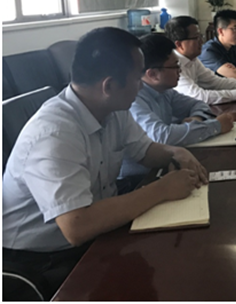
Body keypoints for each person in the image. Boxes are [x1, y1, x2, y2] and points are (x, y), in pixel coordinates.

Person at [3, 27, 208, 297]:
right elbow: (77, 226)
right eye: (137, 78)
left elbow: (145, 151)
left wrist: (175, 153)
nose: (142, 85)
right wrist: (161, 189)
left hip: (97, 229)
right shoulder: (54, 133)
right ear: (109, 85)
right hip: (43, 259)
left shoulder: (112, 108)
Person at [129, 34, 235, 146]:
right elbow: (162, 136)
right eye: (174, 66)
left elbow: (199, 104)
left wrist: (196, 118)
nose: (179, 70)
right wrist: (216, 126)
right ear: (153, 74)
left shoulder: (166, 91)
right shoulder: (134, 100)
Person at [165, 16, 236, 105]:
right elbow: (200, 96)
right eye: (196, 38)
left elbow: (215, 82)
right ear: (179, 44)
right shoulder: (172, 66)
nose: (201, 41)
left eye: (201, 36)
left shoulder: (193, 59)